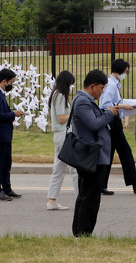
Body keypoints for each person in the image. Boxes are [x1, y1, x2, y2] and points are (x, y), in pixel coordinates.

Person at [71, 70, 129, 236]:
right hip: (91, 157)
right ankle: (83, 232)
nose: (102, 92)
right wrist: (110, 113)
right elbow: (94, 124)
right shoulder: (82, 101)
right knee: (90, 197)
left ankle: (80, 231)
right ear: (92, 86)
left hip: (94, 156)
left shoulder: (85, 101)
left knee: (86, 195)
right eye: (101, 88)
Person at [99, 59, 136, 195]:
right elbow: (105, 105)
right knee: (125, 152)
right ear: (121, 71)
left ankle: (102, 185)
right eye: (126, 71)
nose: (126, 74)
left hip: (113, 121)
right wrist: (123, 106)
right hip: (112, 121)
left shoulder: (113, 84)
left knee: (111, 153)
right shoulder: (111, 85)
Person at [46, 70, 78, 210]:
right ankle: (82, 198)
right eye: (71, 84)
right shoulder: (59, 95)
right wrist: (73, 112)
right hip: (63, 134)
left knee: (59, 168)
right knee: (75, 168)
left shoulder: (56, 94)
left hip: (60, 135)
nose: (71, 87)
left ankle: (52, 200)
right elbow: (61, 118)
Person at [0, 68, 24, 201]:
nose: (12, 84)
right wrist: (13, 114)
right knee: (1, 163)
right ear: (4, 81)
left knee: (6, 163)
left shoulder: (2, 94)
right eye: (11, 82)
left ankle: (7, 188)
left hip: (6, 135)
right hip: (1, 136)